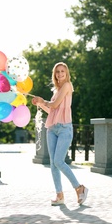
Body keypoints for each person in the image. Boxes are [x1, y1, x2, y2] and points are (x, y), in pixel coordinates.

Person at [31, 62, 88, 206]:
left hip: (64, 129)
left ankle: (79, 188)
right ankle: (59, 195)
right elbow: (52, 111)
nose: (60, 74)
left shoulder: (67, 86)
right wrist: (40, 103)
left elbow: (55, 105)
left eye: (62, 71)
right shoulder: (56, 91)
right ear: (54, 74)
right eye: (57, 72)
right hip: (52, 129)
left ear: (67, 73)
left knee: (58, 161)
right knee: (53, 164)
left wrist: (44, 101)